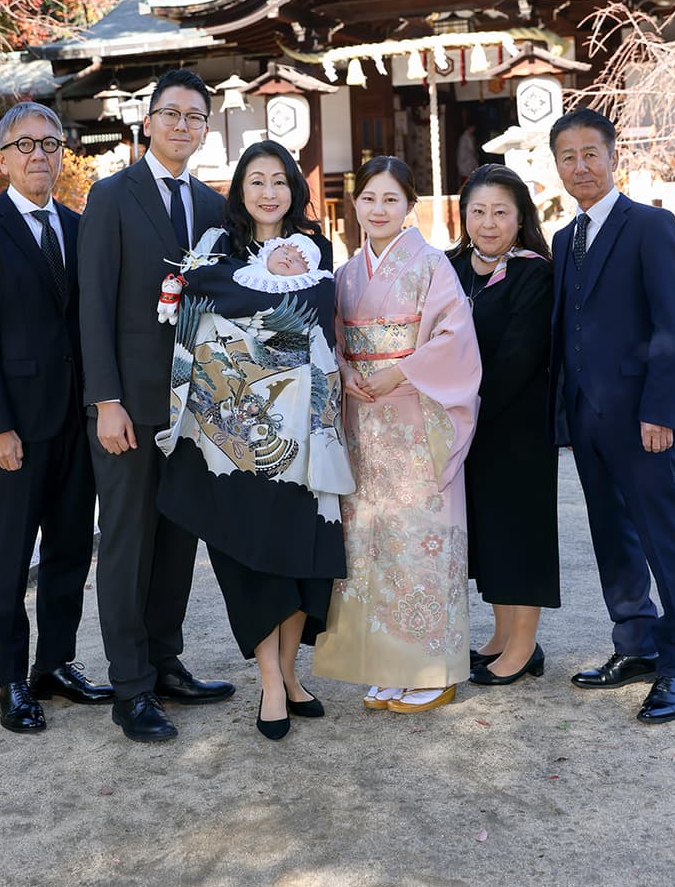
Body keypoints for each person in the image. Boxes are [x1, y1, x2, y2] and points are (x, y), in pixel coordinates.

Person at [154, 140, 350, 742]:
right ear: (240, 190)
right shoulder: (218, 249)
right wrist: (270, 305)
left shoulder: (313, 248)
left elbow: (318, 308)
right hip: (236, 442)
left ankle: (291, 675)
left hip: (305, 441)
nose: (269, 193)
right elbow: (203, 297)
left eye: (280, 182)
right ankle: (270, 681)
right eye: (257, 181)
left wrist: (266, 305)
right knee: (251, 560)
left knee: (300, 561)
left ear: (296, 189)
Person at [77, 69, 235, 743]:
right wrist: (106, 401)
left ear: (205, 129)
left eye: (194, 117)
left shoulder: (212, 204)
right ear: (148, 123)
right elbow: (93, 306)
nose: (181, 126)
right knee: (125, 544)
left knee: (177, 542)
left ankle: (167, 664)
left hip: (192, 408)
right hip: (130, 407)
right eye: (169, 114)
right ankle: (131, 686)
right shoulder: (111, 197)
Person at [0, 102, 114, 733]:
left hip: (80, 419)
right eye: (25, 145)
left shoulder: (80, 228)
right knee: (11, 555)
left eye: (50, 143)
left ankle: (55, 666)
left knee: (72, 550)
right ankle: (10, 679)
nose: (40, 155)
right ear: (3, 158)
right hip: (16, 425)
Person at [548, 107, 675, 724]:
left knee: (662, 536)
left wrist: (660, 410)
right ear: (556, 166)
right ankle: (635, 644)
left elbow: (671, 324)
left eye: (591, 153)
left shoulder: (650, 225)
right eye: (568, 156)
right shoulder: (565, 240)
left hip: (643, 418)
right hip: (586, 416)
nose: (580, 166)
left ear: (613, 158)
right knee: (611, 537)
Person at [312, 157, 482, 713]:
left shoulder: (431, 265)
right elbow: (332, 336)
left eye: (391, 199)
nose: (378, 209)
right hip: (364, 416)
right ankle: (387, 665)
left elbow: (454, 335)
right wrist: (345, 369)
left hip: (414, 415)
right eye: (369, 198)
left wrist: (398, 371)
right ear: (355, 204)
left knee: (419, 538)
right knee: (369, 543)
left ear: (411, 206)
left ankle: (430, 667)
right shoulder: (345, 274)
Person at [447, 164, 560, 689]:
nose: (488, 223)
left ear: (520, 218)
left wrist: (468, 407)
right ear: (463, 213)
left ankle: (523, 646)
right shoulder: (449, 267)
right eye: (478, 211)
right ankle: (499, 635)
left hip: (514, 424)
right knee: (487, 532)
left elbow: (520, 356)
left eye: (501, 213)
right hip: (464, 425)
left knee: (520, 532)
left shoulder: (533, 272)